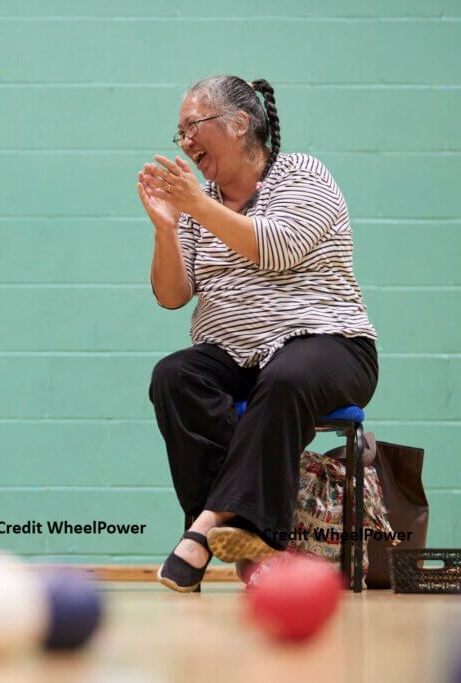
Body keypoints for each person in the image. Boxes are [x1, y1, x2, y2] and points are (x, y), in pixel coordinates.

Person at [137, 76, 378, 592]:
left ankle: (206, 529)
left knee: (286, 376)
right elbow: (172, 295)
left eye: (192, 128)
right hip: (237, 357)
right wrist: (165, 228)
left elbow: (277, 247)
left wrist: (198, 208)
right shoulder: (198, 203)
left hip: (330, 346)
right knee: (174, 376)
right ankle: (248, 540)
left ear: (240, 123)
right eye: (178, 133)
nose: (184, 143)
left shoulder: (302, 175)